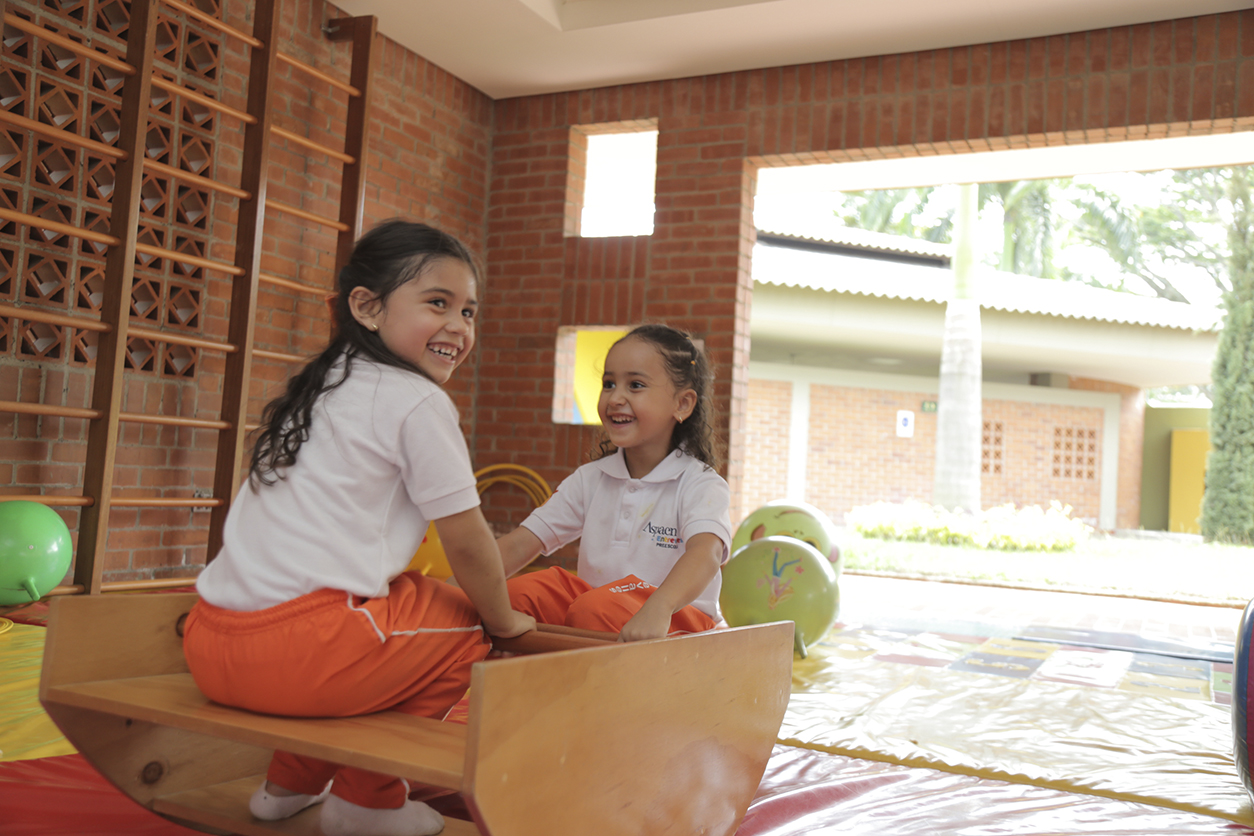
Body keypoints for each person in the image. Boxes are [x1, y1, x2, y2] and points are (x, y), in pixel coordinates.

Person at [182, 220, 535, 836]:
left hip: (209, 644)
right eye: (437, 303)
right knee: (463, 623)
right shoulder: (415, 401)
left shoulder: (320, 386)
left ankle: (288, 785)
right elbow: (466, 538)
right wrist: (503, 620)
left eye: (468, 311)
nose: (459, 326)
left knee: (402, 607)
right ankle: (367, 802)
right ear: (366, 307)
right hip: (298, 658)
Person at [496, 324, 731, 642]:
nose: (615, 397)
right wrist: (456, 590)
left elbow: (706, 554)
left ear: (682, 404)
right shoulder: (591, 479)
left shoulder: (700, 484)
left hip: (678, 618)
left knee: (593, 609)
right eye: (608, 384)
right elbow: (521, 543)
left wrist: (660, 607)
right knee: (513, 596)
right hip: (599, 605)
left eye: (635, 385)